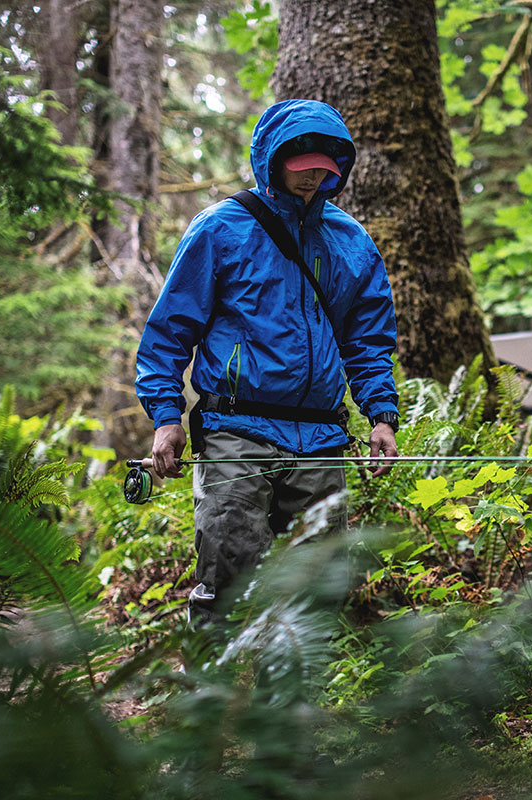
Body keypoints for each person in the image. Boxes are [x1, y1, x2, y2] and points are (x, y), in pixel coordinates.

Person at [135, 99, 400, 624]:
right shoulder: (220, 229)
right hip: (234, 430)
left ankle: (298, 679)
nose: (312, 180)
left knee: (318, 585)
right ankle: (210, 674)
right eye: (301, 169)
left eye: (323, 169)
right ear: (271, 162)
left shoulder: (351, 241)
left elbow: (368, 340)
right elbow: (169, 331)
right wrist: (167, 418)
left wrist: (381, 415)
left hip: (320, 437)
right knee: (228, 573)